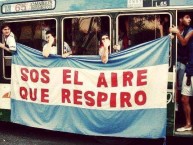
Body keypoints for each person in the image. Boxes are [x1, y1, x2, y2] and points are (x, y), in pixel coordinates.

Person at [170, 12, 193, 132]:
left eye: (190, 17)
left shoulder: (191, 30)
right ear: (180, 19)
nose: (189, 19)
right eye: (187, 17)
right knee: (184, 98)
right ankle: (188, 124)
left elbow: (183, 42)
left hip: (188, 66)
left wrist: (177, 33)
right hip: (189, 68)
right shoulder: (186, 29)